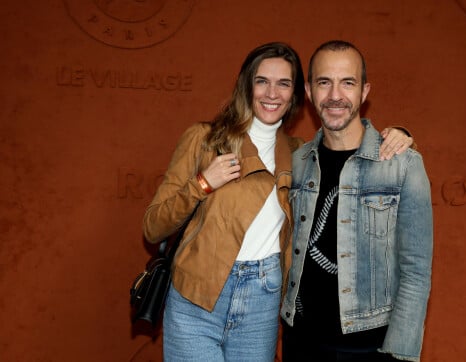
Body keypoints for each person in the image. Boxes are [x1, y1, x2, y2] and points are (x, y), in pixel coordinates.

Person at [142, 42, 413, 362]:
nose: (272, 93)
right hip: (197, 300)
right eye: (262, 81)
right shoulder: (204, 139)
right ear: (247, 85)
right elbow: (153, 226)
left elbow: (349, 150)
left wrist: (398, 135)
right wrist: (202, 183)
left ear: (297, 95)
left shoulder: (300, 153)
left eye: (283, 83)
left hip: (263, 303)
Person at [280, 40, 433, 362]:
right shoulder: (296, 162)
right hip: (300, 342)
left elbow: (416, 271)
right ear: (309, 91)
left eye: (347, 82)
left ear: (364, 92)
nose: (335, 95)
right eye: (325, 82)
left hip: (370, 347)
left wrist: (400, 353)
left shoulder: (403, 165)